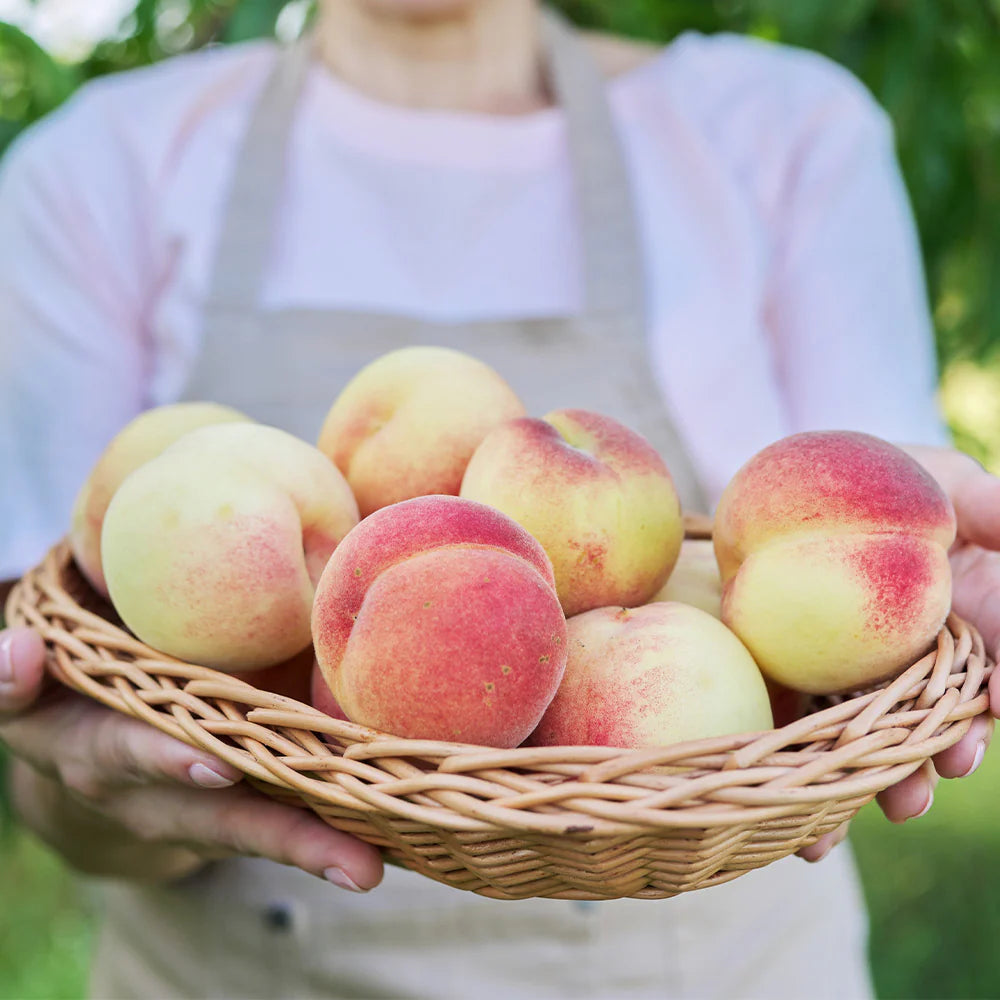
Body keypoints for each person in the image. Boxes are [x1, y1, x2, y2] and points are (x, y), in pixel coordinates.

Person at [0, 2, 998, 997]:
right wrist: (99, 787)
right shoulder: (98, 169)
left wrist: (916, 617)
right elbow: (61, 710)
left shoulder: (780, 130)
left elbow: (868, 577)